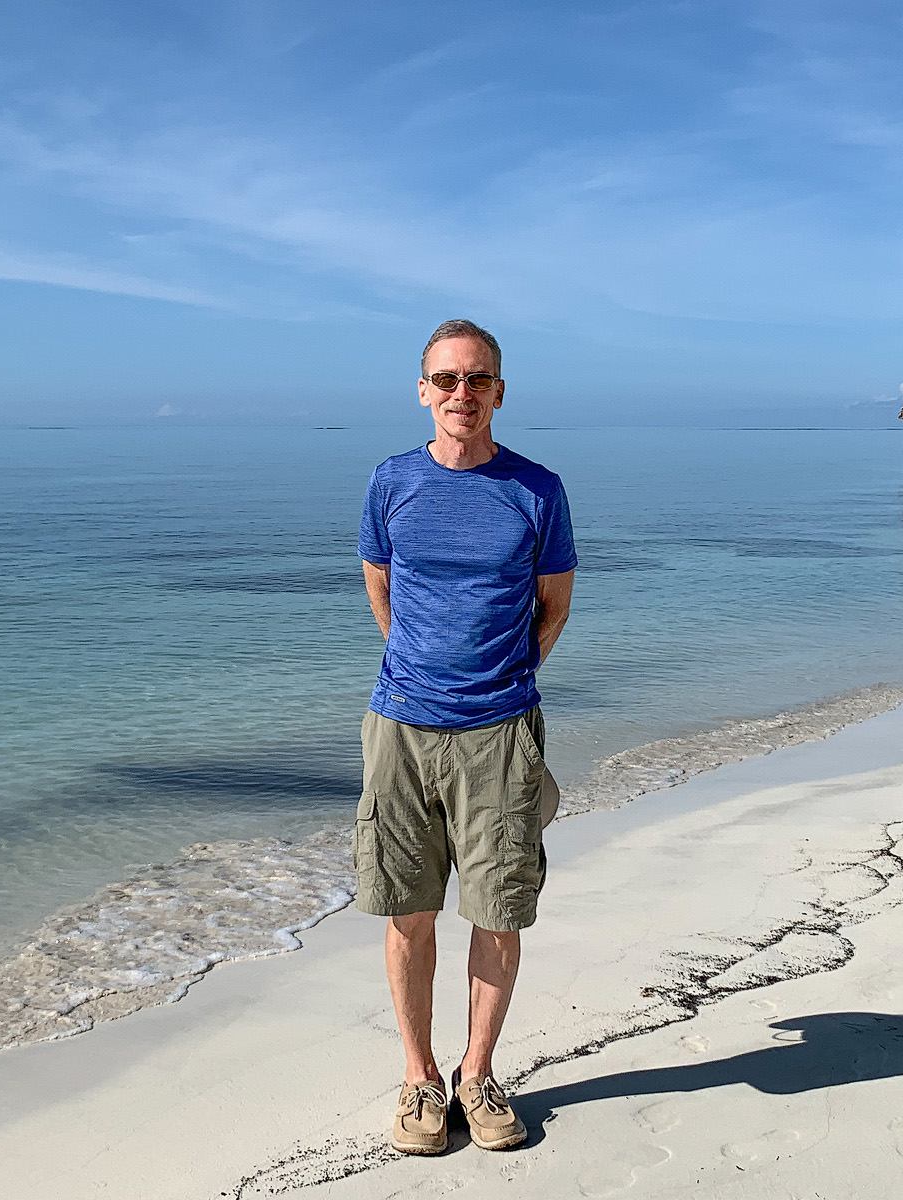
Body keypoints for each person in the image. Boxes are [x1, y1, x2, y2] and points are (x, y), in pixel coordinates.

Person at [356, 318, 577, 1155]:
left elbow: (553, 607)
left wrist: (499, 679)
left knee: (498, 912)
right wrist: (419, 669)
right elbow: (381, 586)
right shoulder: (391, 482)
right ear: (423, 391)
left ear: (499, 393)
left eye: (477, 379)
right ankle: (419, 1078)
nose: (462, 393)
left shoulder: (537, 490)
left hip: (501, 735)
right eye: (447, 379)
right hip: (402, 729)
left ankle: (476, 1075)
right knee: (408, 911)